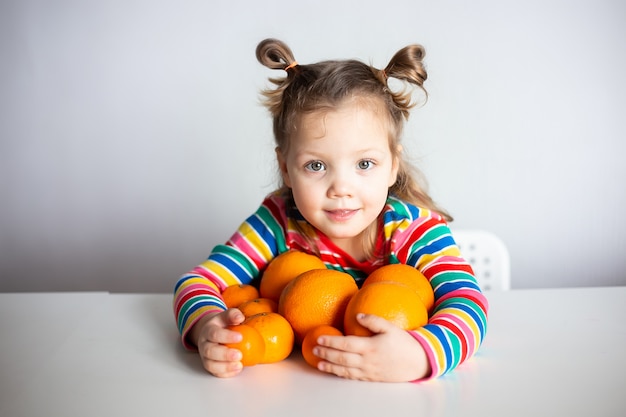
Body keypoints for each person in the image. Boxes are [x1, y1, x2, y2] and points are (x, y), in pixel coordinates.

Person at [173, 38, 488, 382]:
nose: (341, 188)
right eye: (316, 166)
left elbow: (468, 305)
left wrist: (421, 355)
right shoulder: (277, 222)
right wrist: (208, 325)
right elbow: (198, 282)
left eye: (364, 163)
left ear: (393, 165)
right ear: (286, 168)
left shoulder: (414, 232)